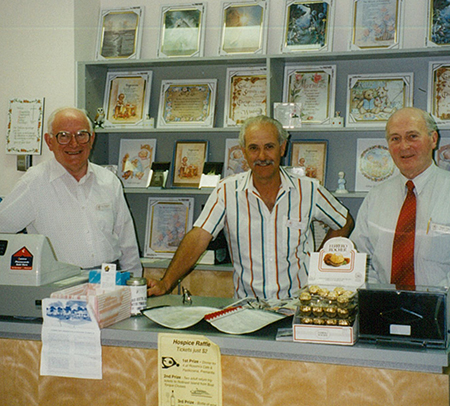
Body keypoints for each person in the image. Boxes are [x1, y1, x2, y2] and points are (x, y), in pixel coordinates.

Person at [147, 115, 354, 299]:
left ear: (282, 148)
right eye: (254, 148)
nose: (262, 156)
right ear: (244, 152)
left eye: (269, 147)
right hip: (248, 309)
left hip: (299, 305)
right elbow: (199, 237)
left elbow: (344, 221)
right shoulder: (227, 191)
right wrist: (166, 283)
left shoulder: (309, 189)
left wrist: (320, 265)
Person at [0, 107, 142, 276]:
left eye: (81, 134)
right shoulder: (34, 182)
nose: (74, 143)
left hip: (109, 280)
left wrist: (134, 283)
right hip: (58, 286)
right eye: (64, 136)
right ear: (49, 141)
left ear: (92, 139)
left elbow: (127, 242)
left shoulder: (109, 181)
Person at [351, 107, 450, 286]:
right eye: (395, 138)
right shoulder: (375, 197)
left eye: (413, 136)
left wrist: (436, 305)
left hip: (444, 309)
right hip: (383, 308)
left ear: (433, 139)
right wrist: (379, 296)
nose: (404, 146)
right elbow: (360, 260)